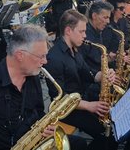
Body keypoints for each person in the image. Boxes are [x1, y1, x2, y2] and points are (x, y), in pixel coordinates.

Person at [44, 10, 118, 150]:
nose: (85, 35)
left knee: (113, 126)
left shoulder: (75, 50)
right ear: (68, 31)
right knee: (107, 133)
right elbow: (58, 99)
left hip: (82, 101)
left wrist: (104, 75)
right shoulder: (54, 58)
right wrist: (89, 106)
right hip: (67, 111)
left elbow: (90, 76)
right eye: (82, 31)